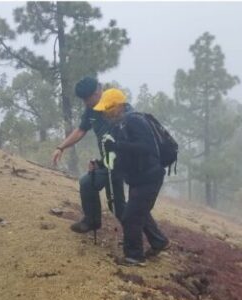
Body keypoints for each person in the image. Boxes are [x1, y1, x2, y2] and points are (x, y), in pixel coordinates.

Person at [95, 88, 169, 266]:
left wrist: (117, 145)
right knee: (139, 212)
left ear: (119, 106)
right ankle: (159, 241)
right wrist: (99, 163)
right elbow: (118, 154)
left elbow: (146, 147)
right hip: (138, 179)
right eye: (104, 110)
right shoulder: (119, 125)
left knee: (130, 216)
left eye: (108, 109)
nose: (105, 113)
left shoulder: (134, 120)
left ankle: (134, 257)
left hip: (149, 177)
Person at [52, 77, 126, 233]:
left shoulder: (115, 104)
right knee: (91, 185)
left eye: (87, 98)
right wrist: (61, 147)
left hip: (121, 159)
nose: (85, 103)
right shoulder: (91, 109)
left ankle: (144, 238)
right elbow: (81, 130)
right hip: (108, 160)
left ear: (98, 91)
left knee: (114, 202)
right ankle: (92, 221)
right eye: (83, 100)